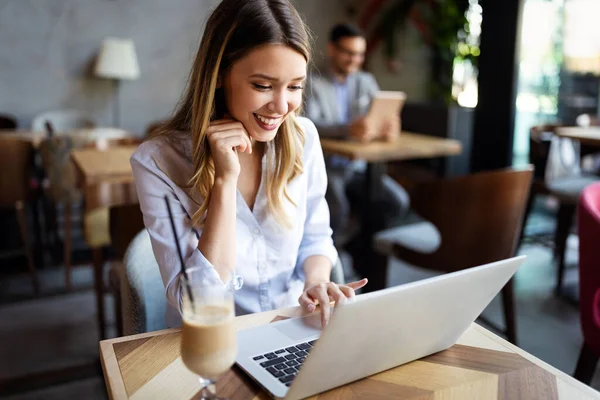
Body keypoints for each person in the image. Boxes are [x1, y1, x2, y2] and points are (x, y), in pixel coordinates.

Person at [131, 0, 367, 329]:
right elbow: (199, 303)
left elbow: (315, 236)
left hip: (293, 327)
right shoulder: (158, 162)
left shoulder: (304, 138)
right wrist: (224, 184)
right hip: (212, 343)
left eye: (295, 86)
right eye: (263, 85)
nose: (282, 106)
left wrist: (316, 283)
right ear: (219, 75)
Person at [305, 23, 409, 246]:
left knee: (397, 201)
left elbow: (379, 115)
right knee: (338, 211)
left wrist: (388, 127)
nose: (355, 60)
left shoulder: (366, 81)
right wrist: (347, 129)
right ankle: (337, 259)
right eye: (349, 53)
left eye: (360, 54)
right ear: (332, 49)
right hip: (328, 165)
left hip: (358, 167)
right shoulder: (312, 82)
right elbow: (308, 124)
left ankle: (358, 248)